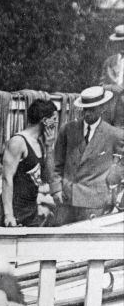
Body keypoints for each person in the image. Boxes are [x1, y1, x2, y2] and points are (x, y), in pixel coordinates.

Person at [53, 87, 122, 223]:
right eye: (85, 109)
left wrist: (113, 177)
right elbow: (57, 164)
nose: (87, 113)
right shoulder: (67, 130)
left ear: (102, 108)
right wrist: (56, 189)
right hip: (67, 200)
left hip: (94, 202)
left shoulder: (113, 134)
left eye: (92, 109)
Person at [0, 97, 56, 227]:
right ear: (45, 121)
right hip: (14, 212)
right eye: (54, 119)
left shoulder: (40, 143)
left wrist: (49, 147)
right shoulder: (18, 142)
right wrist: (9, 215)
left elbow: (47, 177)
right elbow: (6, 179)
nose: (55, 123)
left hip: (31, 211)